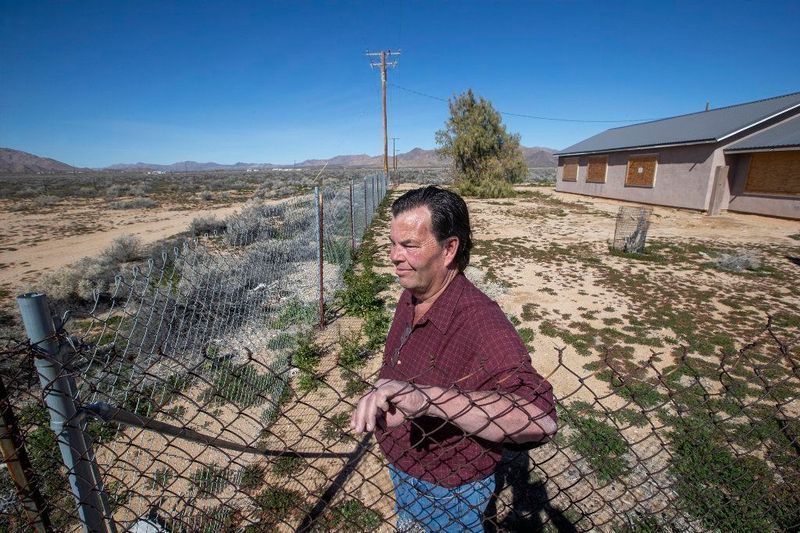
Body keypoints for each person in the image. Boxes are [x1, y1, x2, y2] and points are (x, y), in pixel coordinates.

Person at [350, 186, 557, 532]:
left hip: (448, 489)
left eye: (410, 246)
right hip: (405, 467)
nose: (394, 256)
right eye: (393, 243)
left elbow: (540, 419)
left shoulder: (479, 320)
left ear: (449, 249)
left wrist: (429, 399)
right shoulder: (414, 291)